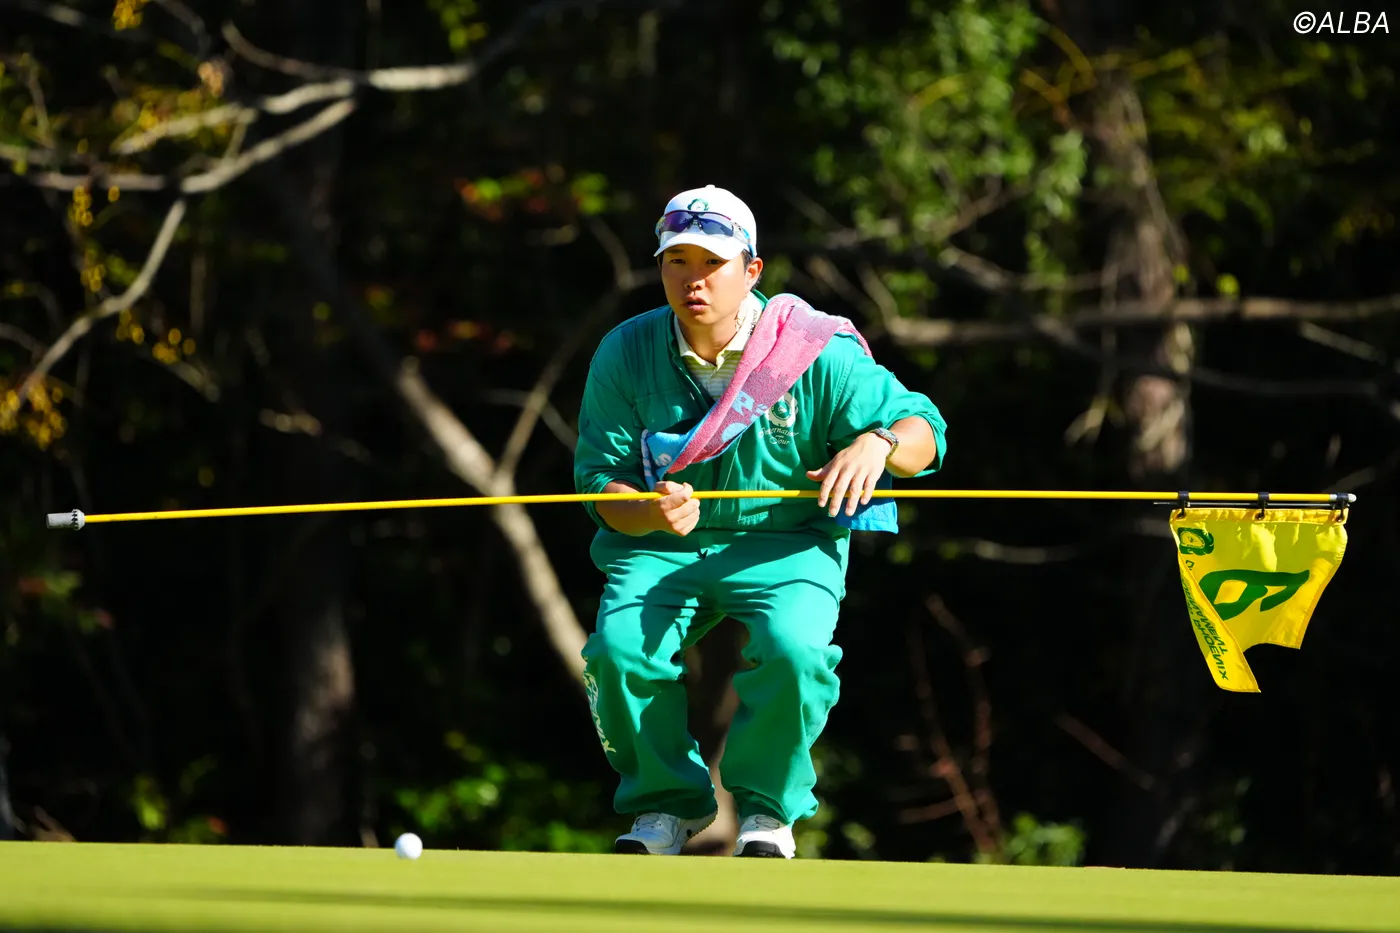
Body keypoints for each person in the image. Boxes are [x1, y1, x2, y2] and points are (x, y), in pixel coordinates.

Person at [573, 184, 948, 857]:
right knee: (618, 651)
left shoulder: (813, 349)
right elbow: (600, 483)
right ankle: (665, 805)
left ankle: (768, 812)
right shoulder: (624, 351)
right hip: (663, 543)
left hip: (789, 543)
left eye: (712, 263)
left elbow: (926, 430)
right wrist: (646, 509)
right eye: (676, 261)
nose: (693, 280)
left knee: (794, 651)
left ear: (752, 270)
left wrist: (880, 441)